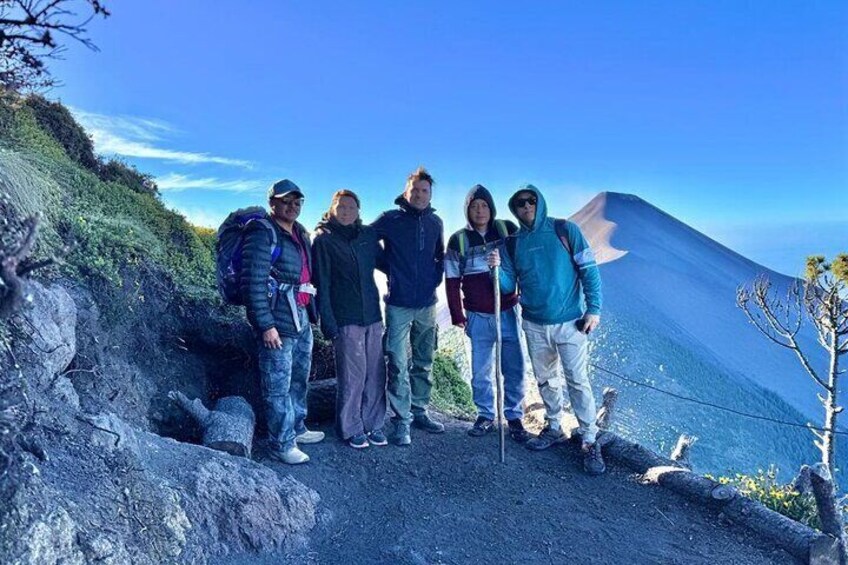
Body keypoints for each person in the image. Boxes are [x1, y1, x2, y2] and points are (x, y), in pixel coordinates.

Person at [486, 184, 605, 475]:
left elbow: (589, 270)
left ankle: (589, 439)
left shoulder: (565, 230)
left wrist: (594, 309)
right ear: (514, 210)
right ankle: (554, 427)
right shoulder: (513, 243)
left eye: (531, 202)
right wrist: (496, 269)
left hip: (570, 322)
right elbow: (506, 286)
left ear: (540, 203)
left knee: (578, 380)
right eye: (520, 204)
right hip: (534, 323)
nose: (526, 207)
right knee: (545, 380)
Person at [241, 179, 325, 465]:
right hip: (277, 319)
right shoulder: (262, 232)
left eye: (297, 202)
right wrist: (265, 325)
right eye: (286, 201)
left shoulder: (300, 232)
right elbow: (252, 281)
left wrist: (311, 315)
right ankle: (281, 443)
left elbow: (305, 276)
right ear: (272, 203)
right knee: (277, 383)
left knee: (299, 377)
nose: (292, 206)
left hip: (299, 316)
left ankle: (297, 428)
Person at [445, 184, 528, 442]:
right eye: (474, 206)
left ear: (491, 207)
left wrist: (525, 295)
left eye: (483, 205)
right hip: (477, 315)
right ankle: (485, 414)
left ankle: (514, 416)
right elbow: (451, 280)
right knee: (480, 370)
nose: (479, 211)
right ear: (467, 210)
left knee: (514, 367)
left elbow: (523, 263)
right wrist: (457, 315)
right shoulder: (458, 239)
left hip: (506, 310)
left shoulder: (507, 230)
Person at [372, 166, 445, 445]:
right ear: (406, 191)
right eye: (415, 189)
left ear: (430, 194)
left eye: (424, 190)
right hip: (398, 304)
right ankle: (402, 420)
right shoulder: (390, 219)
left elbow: (439, 255)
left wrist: (434, 280)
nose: (419, 194)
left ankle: (419, 410)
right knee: (399, 362)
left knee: (425, 359)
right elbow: (367, 239)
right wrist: (388, 267)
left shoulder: (435, 223)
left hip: (427, 303)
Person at [312, 189, 388, 449]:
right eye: (341, 206)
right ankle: (351, 427)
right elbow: (321, 283)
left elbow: (386, 263)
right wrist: (328, 322)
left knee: (376, 372)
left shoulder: (367, 235)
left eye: (351, 207)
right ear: (332, 208)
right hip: (345, 317)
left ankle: (373, 424)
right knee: (352, 375)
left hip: (373, 315)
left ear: (358, 211)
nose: (346, 211)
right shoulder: (323, 239)